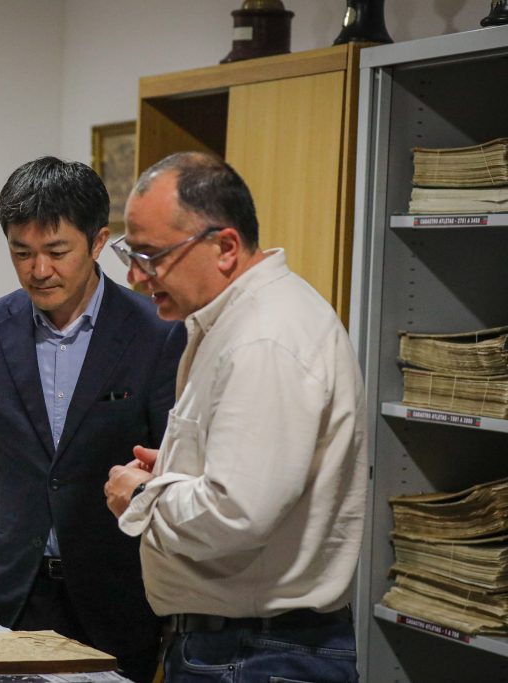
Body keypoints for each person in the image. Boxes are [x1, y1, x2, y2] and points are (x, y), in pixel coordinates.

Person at [103, 151, 367, 682]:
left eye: (151, 256)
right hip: (245, 645)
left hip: (256, 651)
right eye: (130, 254)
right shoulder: (236, 322)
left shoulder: (264, 339)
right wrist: (178, 467)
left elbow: (235, 515)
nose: (134, 276)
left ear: (224, 247)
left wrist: (141, 495)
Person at [0, 156, 186, 683]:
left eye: (57, 252)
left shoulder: (157, 332)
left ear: (98, 243)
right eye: (21, 252)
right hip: (11, 593)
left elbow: (173, 468)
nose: (39, 270)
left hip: (118, 597)